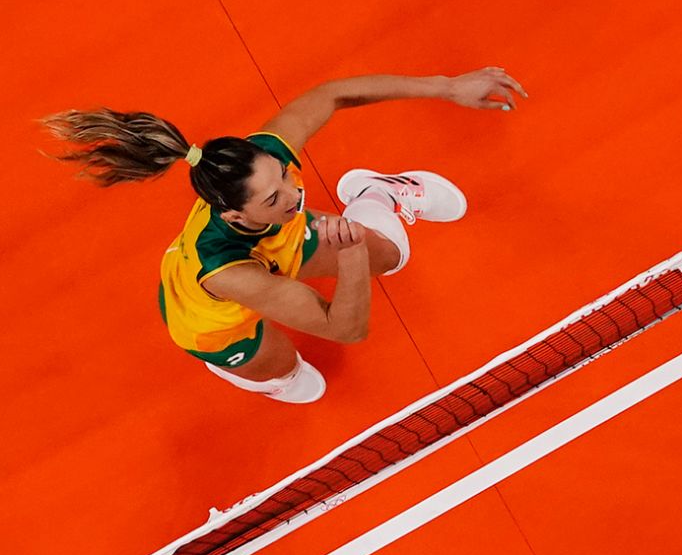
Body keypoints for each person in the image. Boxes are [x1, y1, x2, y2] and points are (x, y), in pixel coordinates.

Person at [42, 66, 526, 402]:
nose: (293, 196)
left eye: (284, 176)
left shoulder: (264, 163)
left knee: (394, 254)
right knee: (288, 371)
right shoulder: (226, 273)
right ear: (233, 215)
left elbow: (333, 94)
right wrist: (350, 252)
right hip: (215, 322)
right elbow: (347, 330)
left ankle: (378, 193)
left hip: (277, 248)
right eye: (272, 198)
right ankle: (251, 375)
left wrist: (446, 87)